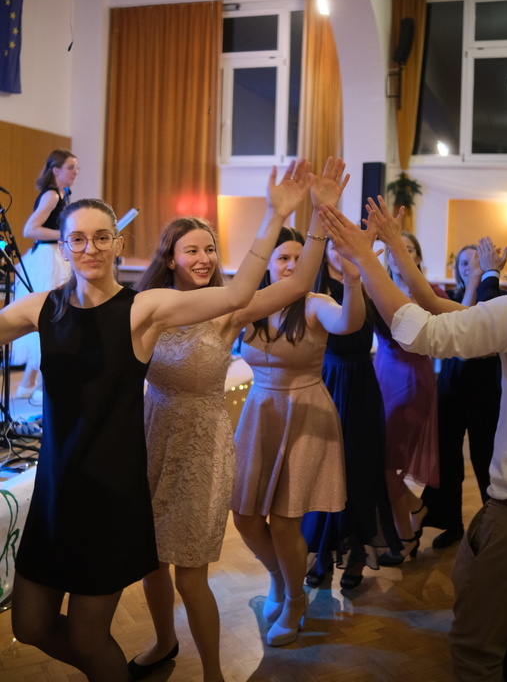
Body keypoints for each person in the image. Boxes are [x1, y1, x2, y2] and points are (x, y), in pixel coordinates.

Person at [4, 168, 310, 682]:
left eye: (102, 237)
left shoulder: (142, 309)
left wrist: (276, 214)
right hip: (56, 491)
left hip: (110, 494)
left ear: (117, 243)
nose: (90, 248)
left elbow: (237, 295)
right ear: (64, 248)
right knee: (30, 626)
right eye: (78, 239)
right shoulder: (43, 308)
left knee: (87, 636)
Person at [127, 157, 348, 681]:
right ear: (170, 257)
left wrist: (315, 217)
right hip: (151, 436)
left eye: (210, 249)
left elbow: (298, 283)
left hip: (202, 445)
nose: (204, 258)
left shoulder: (229, 307)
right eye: (192, 250)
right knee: (149, 563)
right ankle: (163, 642)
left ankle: (213, 674)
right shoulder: (147, 306)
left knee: (190, 575)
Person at [319, 197, 507, 682]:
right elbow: (441, 308)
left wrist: (367, 257)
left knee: (477, 651)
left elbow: (422, 333)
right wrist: (396, 249)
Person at [230, 202, 366, 648]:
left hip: (305, 411)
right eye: (283, 257)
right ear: (268, 264)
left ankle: (294, 600)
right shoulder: (250, 305)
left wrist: (352, 280)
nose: (290, 265)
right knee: (245, 516)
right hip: (259, 411)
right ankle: (279, 577)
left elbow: (348, 322)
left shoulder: (314, 303)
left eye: (297, 257)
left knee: (286, 521)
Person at [301, 240, 401, 588]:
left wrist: (379, 276)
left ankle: (357, 554)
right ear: (324, 251)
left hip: (362, 385)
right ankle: (321, 555)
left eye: (348, 245)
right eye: (335, 245)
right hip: (327, 381)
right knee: (323, 469)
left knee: (361, 468)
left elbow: (393, 331)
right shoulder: (314, 291)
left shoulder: (364, 284)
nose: (341, 251)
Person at [421, 241, 506, 549]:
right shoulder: (452, 298)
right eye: (465, 264)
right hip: (452, 386)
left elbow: (483, 339)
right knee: (448, 459)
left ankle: (492, 528)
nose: (471, 268)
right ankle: (452, 524)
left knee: (486, 459)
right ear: (457, 270)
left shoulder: (497, 298)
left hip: (485, 390)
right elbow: (463, 331)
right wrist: (472, 284)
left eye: (477, 262)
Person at [371, 230, 445, 565]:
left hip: (411, 381)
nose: (401, 253)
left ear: (417, 257)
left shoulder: (431, 294)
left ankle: (407, 530)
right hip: (381, 376)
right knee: (383, 464)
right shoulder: (376, 288)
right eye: (394, 248)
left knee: (387, 466)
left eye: (409, 248)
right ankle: (409, 525)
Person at [13, 149, 80, 402]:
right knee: (49, 318)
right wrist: (65, 235)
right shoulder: (51, 195)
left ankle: (28, 383)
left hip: (54, 256)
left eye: (76, 168)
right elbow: (30, 229)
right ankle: (42, 384)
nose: (75, 172)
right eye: (71, 167)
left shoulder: (63, 194)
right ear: (56, 170)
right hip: (48, 259)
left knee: (47, 317)